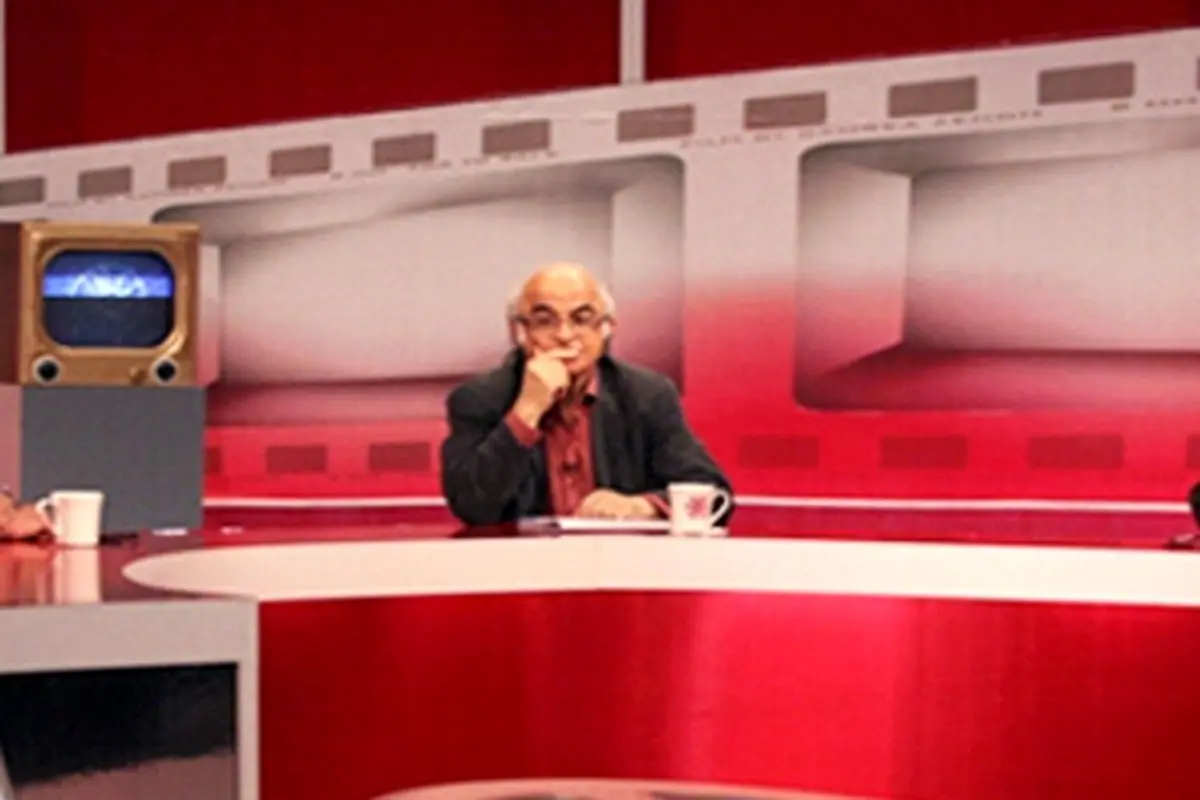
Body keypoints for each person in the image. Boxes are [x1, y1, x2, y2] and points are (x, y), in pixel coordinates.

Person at [441, 262, 732, 526]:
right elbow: (471, 507)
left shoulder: (646, 395)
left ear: (605, 329)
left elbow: (713, 494)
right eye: (545, 321)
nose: (565, 335)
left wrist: (639, 506)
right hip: (520, 561)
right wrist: (527, 409)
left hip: (622, 560)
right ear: (520, 332)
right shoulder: (480, 399)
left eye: (581, 319)